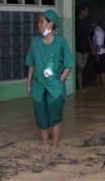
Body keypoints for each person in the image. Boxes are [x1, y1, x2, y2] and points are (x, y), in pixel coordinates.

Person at [25, 9, 74, 145]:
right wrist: (29, 84)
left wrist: (60, 81)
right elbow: (31, 65)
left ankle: (55, 146)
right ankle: (45, 148)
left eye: (41, 22)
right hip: (38, 86)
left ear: (50, 24)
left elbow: (68, 65)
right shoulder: (35, 42)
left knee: (55, 117)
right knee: (40, 116)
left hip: (54, 87)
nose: (38, 24)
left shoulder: (60, 42)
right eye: (38, 22)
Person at [75, 6, 92, 89]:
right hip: (78, 49)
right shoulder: (75, 21)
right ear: (81, 11)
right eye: (86, 11)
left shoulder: (86, 22)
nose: (88, 13)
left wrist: (91, 45)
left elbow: (88, 35)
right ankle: (80, 87)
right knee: (80, 68)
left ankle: (80, 85)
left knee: (82, 68)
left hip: (85, 49)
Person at [92, 21, 105, 87]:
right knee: (98, 69)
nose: (91, 25)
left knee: (101, 70)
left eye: (91, 23)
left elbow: (99, 44)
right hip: (101, 52)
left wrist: (97, 54)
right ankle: (98, 83)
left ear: (95, 23)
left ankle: (103, 86)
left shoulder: (97, 31)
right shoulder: (100, 30)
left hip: (100, 53)